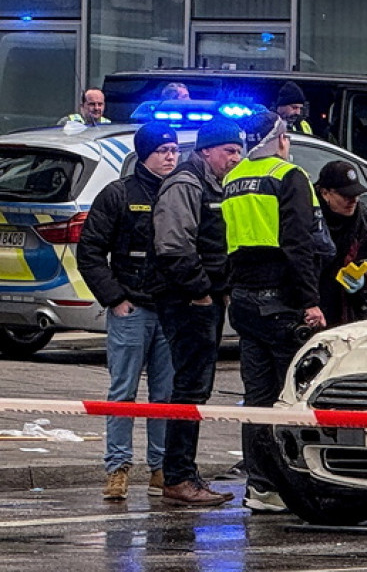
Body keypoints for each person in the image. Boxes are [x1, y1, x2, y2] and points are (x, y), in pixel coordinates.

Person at [222, 112, 325, 513]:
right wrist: (310, 301)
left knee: (257, 398)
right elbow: (299, 243)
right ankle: (291, 483)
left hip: (244, 300)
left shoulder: (233, 178)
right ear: (280, 138)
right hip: (281, 300)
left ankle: (260, 485)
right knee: (290, 398)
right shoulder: (289, 176)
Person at [77, 122, 177, 501]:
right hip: (131, 310)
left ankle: (161, 469)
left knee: (166, 396)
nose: (170, 157)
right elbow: (90, 252)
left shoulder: (181, 191)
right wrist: (114, 298)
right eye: (162, 151)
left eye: (173, 150)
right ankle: (117, 469)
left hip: (169, 309)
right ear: (145, 154)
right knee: (123, 393)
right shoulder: (118, 194)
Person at [151, 119, 245, 506]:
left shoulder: (212, 185)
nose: (235, 158)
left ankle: (183, 473)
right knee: (189, 388)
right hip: (186, 300)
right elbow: (173, 246)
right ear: (207, 151)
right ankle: (178, 476)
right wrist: (202, 292)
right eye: (229, 151)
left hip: (201, 298)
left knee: (195, 387)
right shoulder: (187, 184)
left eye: (239, 151)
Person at [315, 160, 367, 327]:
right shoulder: (308, 216)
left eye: (356, 194)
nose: (353, 200)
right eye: (346, 196)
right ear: (325, 193)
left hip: (352, 312)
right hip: (315, 308)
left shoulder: (365, 220)